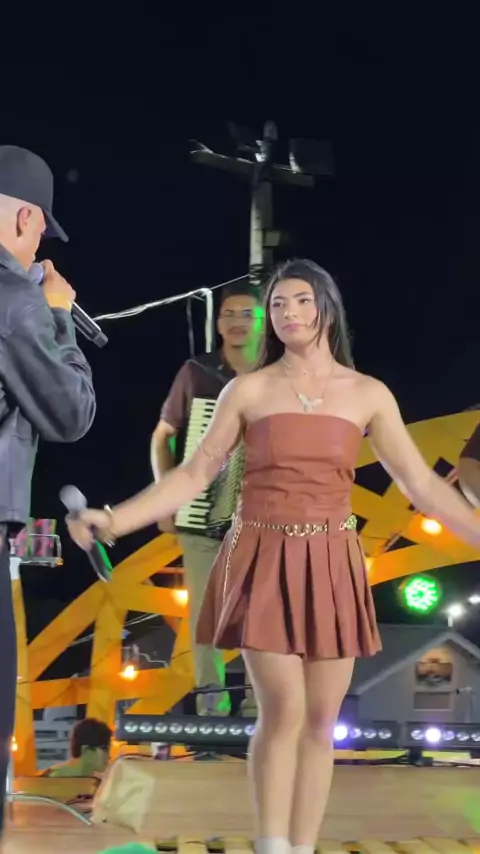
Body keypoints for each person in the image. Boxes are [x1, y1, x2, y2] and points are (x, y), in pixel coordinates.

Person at [67, 258, 480, 854]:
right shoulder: (249, 390)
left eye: (302, 301)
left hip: (333, 562)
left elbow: (421, 484)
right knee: (283, 709)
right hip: (262, 556)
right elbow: (194, 474)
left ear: (327, 309)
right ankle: (271, 843)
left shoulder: (367, 394)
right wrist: (115, 520)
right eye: (279, 305)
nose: (289, 313)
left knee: (320, 720)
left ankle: (300, 846)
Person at [0, 146, 96, 830]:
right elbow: (70, 414)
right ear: (27, 218)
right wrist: (58, 314)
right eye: (40, 233)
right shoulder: (14, 300)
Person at [150, 282, 263, 715]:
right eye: (229, 314)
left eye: (247, 314)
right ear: (217, 323)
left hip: (262, 519)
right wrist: (165, 497)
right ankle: (210, 711)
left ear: (265, 322)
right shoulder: (197, 372)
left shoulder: (279, 374)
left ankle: (258, 708)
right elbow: (163, 436)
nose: (237, 322)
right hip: (201, 518)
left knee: (260, 614)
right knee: (204, 617)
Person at [43, 718, 112, 778]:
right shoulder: (56, 776)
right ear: (86, 749)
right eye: (105, 749)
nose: (109, 756)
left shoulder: (98, 782)